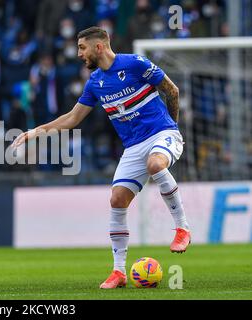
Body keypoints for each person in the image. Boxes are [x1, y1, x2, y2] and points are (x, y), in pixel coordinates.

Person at [12, 27, 191, 289]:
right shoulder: (95, 82)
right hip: (133, 147)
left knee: (155, 164)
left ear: (98, 47)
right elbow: (72, 118)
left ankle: (182, 228)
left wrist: (172, 129)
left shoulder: (135, 63)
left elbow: (171, 91)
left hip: (162, 134)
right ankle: (119, 272)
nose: (78, 54)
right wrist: (35, 132)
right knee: (117, 199)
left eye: (82, 48)